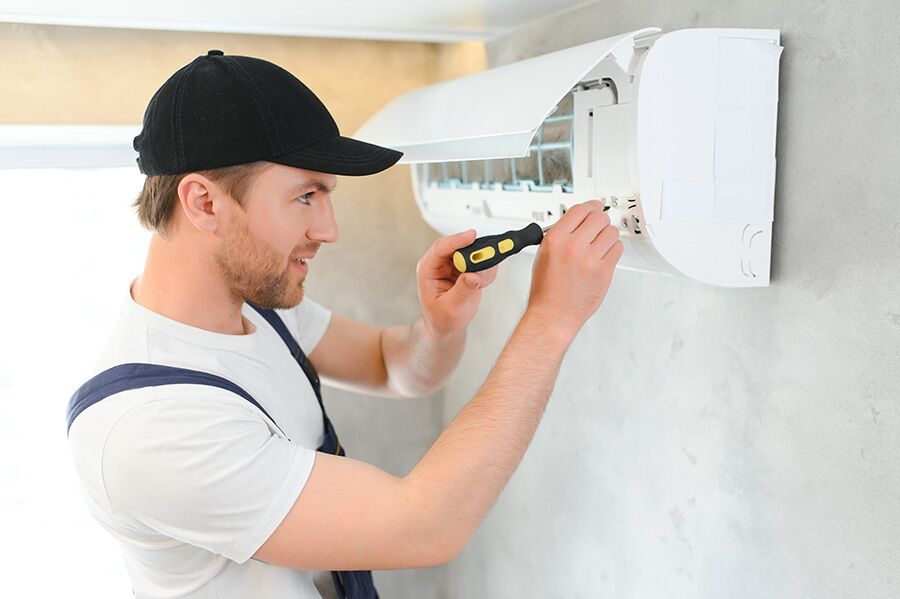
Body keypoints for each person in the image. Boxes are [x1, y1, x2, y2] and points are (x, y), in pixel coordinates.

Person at [67, 50, 623, 599]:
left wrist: (438, 327)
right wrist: (551, 320)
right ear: (204, 204)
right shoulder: (148, 428)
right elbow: (425, 526)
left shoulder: (256, 309)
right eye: (306, 196)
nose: (329, 229)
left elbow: (393, 367)